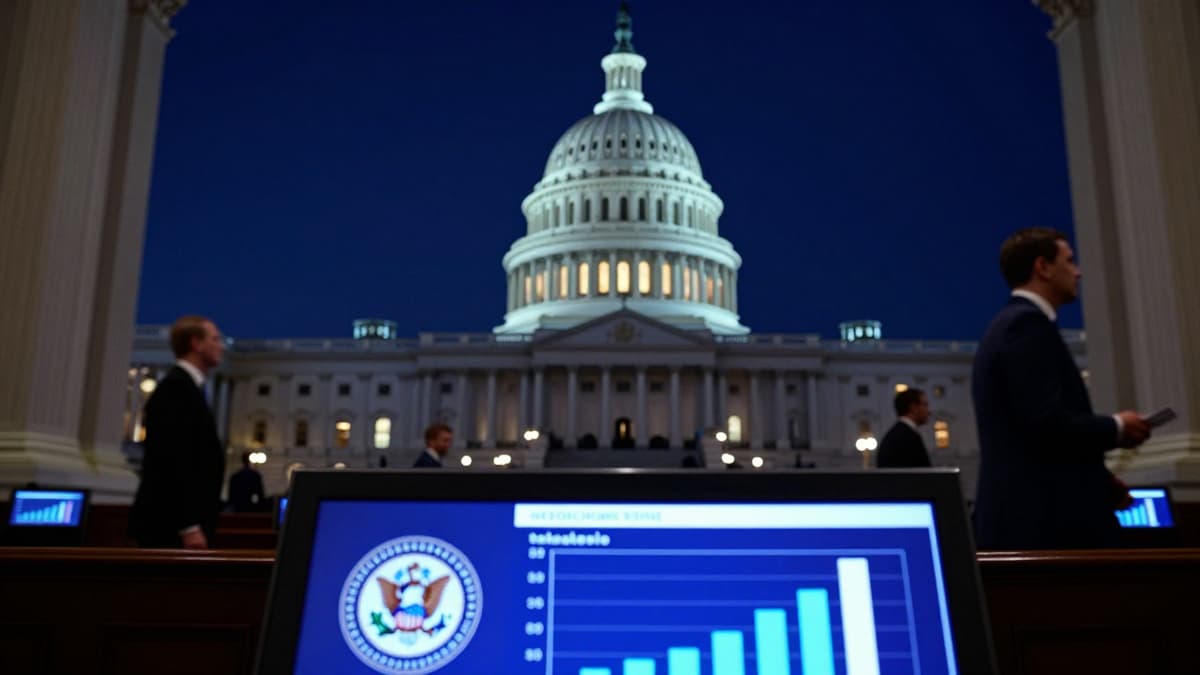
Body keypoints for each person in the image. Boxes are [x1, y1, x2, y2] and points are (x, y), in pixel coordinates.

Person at [972, 228, 1150, 549]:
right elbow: (1046, 424)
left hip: (1033, 518)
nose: (1078, 271)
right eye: (1069, 261)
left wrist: (1099, 482)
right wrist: (1118, 427)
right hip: (1043, 525)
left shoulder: (1012, 325)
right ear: (1043, 267)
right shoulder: (1026, 327)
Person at [128, 316, 227, 549]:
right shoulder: (176, 389)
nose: (221, 346)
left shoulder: (187, 387)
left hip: (179, 525)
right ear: (197, 344)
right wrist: (189, 526)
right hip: (172, 529)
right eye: (215, 339)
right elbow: (171, 461)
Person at [877, 388, 932, 468]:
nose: (929, 411)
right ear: (914, 408)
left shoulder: (895, 434)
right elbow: (923, 473)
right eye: (925, 405)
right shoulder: (909, 436)